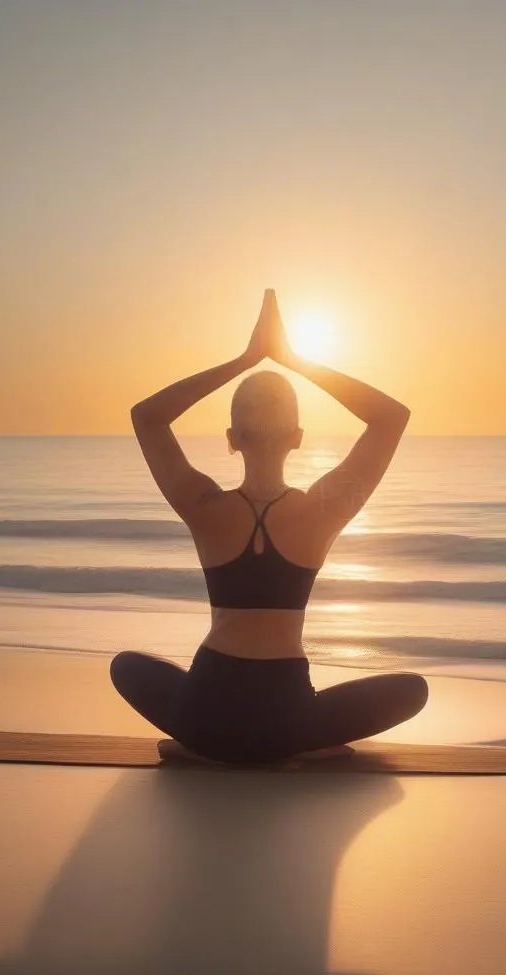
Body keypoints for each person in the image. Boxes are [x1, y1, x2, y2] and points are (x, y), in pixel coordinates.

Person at [111, 289, 428, 764]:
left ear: (232, 440)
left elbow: (147, 417)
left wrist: (244, 360)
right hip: (287, 720)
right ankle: (303, 747)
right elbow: (390, 418)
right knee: (412, 690)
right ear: (298, 438)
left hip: (205, 713)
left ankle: (201, 747)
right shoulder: (320, 513)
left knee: (126, 667)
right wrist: (293, 361)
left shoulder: (204, 507)